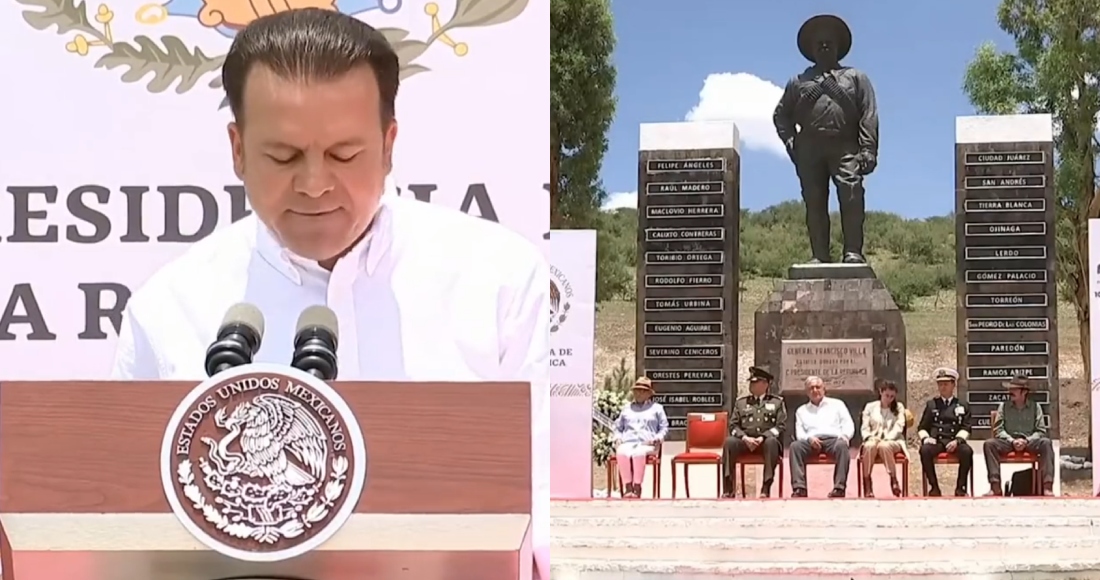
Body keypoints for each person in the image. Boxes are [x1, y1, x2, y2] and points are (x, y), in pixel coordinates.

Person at [106, 10, 549, 577]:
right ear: (238, 149)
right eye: (283, 156)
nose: (314, 183)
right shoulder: (168, 307)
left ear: (388, 145)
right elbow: (121, 525)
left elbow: (533, 513)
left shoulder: (499, 279)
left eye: (344, 155)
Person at [773, 14, 879, 264]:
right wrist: (791, 142)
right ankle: (819, 254)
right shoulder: (798, 83)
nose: (823, 46)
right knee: (815, 201)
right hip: (809, 148)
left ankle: (853, 251)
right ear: (811, 49)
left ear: (838, 46)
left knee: (852, 194)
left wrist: (868, 149)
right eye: (818, 43)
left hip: (845, 146)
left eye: (828, 42)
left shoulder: (856, 78)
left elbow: (868, 113)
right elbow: (781, 116)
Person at [984, 374, 1056, 496]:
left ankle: (1047, 486)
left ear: (1024, 392)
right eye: (1010, 389)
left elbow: (1040, 430)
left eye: (1014, 389)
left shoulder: (1035, 407)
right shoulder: (1004, 406)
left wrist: (1026, 441)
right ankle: (995, 486)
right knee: (989, 444)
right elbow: (998, 429)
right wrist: (1012, 440)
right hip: (1009, 441)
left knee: (1046, 443)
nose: (1010, 392)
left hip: (1029, 441)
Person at [722, 366, 786, 498]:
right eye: (751, 382)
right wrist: (744, 437)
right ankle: (728, 487)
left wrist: (763, 437)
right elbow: (733, 425)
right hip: (745, 442)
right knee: (729, 442)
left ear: (765, 384)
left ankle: (766, 487)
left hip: (765, 443)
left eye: (754, 382)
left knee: (772, 442)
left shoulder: (777, 402)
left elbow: (780, 426)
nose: (751, 385)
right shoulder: (741, 403)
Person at [790, 376, 855, 497]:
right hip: (811, 441)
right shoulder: (801, 410)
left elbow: (848, 424)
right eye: (811, 388)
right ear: (806, 392)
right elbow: (799, 433)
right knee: (795, 447)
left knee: (842, 446)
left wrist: (845, 436)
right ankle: (799, 488)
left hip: (833, 440)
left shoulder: (837, 404)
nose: (815, 390)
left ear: (824, 388)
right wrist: (809, 438)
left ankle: (839, 488)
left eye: (817, 387)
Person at [917, 367, 973, 496]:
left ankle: (961, 488)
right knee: (924, 450)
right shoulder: (932, 404)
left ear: (953, 385)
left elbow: (966, 426)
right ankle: (934, 487)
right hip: (937, 441)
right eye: (940, 384)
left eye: (946, 384)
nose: (943, 387)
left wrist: (958, 441)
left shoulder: (962, 405)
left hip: (954, 440)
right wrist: (926, 439)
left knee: (967, 452)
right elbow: (922, 427)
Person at [611, 377, 669, 498]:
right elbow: (618, 427)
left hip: (647, 443)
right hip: (628, 442)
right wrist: (618, 437)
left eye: (642, 391)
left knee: (638, 453)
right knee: (621, 452)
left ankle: (637, 486)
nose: (639, 393)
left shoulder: (657, 408)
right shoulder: (627, 409)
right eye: (637, 390)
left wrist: (657, 438)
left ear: (649, 393)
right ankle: (628, 487)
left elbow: (664, 428)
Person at [859, 379, 907, 497]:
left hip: (893, 441)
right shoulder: (870, 407)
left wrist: (888, 438)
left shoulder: (899, 407)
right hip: (873, 439)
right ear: (881, 392)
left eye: (892, 396)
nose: (889, 399)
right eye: (887, 395)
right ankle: (867, 482)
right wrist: (870, 437)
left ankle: (893, 478)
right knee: (869, 446)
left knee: (884, 446)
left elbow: (899, 426)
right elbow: (865, 426)